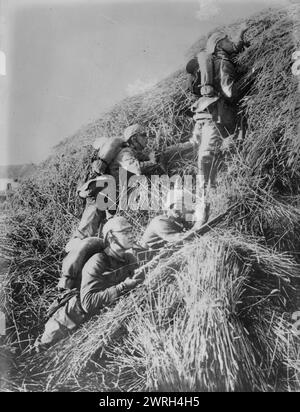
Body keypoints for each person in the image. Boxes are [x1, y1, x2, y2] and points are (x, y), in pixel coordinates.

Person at [35, 216, 144, 351]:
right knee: (40, 353)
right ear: (111, 237)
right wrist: (124, 286)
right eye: (125, 232)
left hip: (94, 322)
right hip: (69, 321)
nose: (131, 235)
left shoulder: (130, 258)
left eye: (131, 231)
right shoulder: (98, 261)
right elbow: (88, 303)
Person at [186, 24, 248, 225]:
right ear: (220, 43)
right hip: (216, 115)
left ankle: (204, 201)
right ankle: (202, 210)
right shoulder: (223, 61)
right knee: (207, 158)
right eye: (228, 40)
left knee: (203, 157)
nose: (231, 43)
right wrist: (249, 80)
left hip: (203, 116)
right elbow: (229, 91)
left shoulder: (212, 63)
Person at [66, 124, 156, 251]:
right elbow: (137, 168)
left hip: (110, 194)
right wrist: (152, 161)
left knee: (100, 225)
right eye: (144, 135)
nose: (147, 139)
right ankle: (77, 244)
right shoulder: (125, 152)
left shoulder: (131, 152)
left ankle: (88, 246)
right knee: (91, 221)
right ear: (134, 138)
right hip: (104, 192)